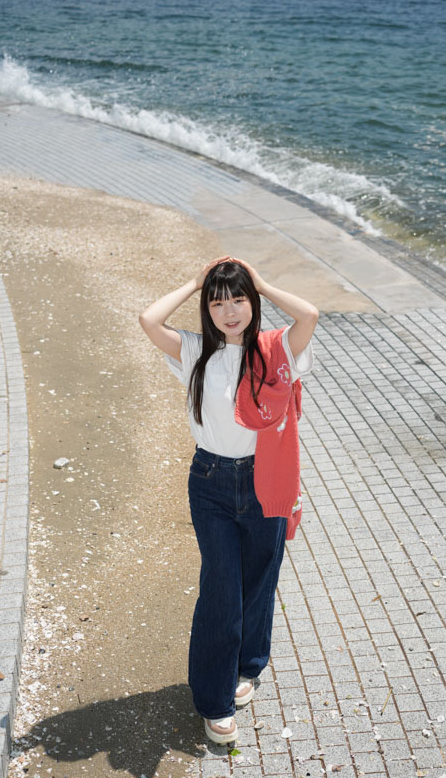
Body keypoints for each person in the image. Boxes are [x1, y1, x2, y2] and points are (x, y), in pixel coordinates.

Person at [139, 256, 318, 744]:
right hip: (212, 481)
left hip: (267, 479)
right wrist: (194, 282)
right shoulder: (195, 350)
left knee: (259, 580)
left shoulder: (276, 349)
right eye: (217, 303)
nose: (230, 311)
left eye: (239, 299)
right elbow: (149, 320)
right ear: (207, 308)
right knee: (221, 591)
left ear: (252, 302)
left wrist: (263, 282)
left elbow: (309, 315)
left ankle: (247, 665)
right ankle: (214, 701)